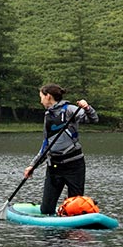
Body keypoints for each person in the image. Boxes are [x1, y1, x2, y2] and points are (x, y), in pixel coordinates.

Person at [23, 83, 98, 215]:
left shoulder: (69, 109)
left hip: (74, 166)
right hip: (54, 167)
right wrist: (32, 165)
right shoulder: (48, 116)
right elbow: (46, 145)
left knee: (75, 209)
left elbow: (93, 119)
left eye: (41, 97)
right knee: (46, 210)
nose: (40, 101)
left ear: (48, 96)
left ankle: (80, 213)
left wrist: (87, 107)